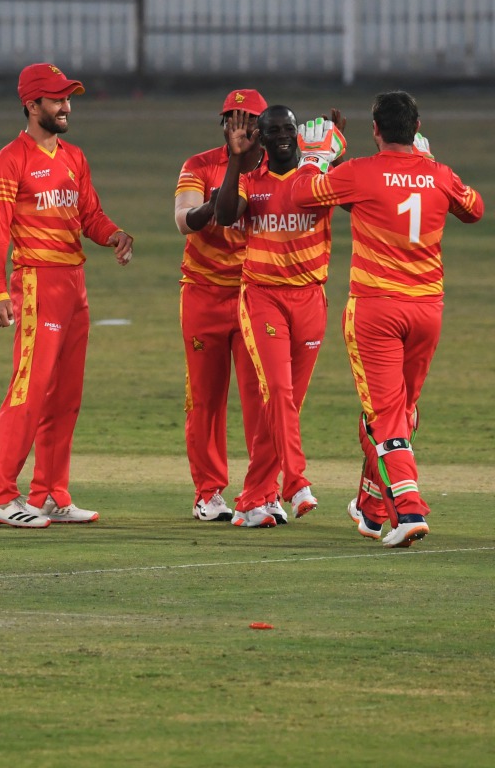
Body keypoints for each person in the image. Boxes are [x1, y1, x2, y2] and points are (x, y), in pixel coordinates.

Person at [289, 90, 484, 547]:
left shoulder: (360, 173)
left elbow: (302, 196)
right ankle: (374, 510)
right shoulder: (438, 175)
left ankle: (410, 509)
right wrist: (429, 164)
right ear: (416, 130)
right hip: (427, 311)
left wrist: (315, 157)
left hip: (376, 310)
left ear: (375, 130)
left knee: (385, 416)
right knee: (398, 413)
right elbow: (474, 209)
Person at [0, 63, 134, 529]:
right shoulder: (10, 159)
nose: (66, 106)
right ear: (31, 104)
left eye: (69, 98)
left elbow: (89, 215)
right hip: (37, 285)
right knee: (29, 391)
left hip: (74, 286)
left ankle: (49, 494)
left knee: (65, 397)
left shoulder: (74, 157)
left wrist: (114, 235)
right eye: (57, 99)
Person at [213, 105, 340, 528]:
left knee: (287, 404)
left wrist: (333, 155)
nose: (284, 135)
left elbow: (356, 203)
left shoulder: (318, 180)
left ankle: (252, 498)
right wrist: (235, 159)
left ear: (299, 136)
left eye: (290, 129)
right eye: (275, 131)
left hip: (311, 299)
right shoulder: (252, 182)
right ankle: (296, 482)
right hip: (264, 298)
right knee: (279, 393)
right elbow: (226, 214)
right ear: (263, 139)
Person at [173, 89, 273, 523]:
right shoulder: (199, 165)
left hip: (257, 296)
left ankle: (263, 492)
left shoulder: (275, 170)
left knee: (262, 398)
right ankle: (208, 493)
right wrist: (218, 203)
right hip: (204, 292)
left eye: (247, 119)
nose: (239, 126)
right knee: (206, 400)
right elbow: (184, 221)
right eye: (231, 118)